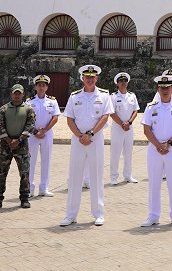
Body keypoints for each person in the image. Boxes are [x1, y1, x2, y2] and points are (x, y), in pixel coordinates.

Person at [60, 65, 114, 226]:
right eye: (87, 77)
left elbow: (105, 117)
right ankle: (70, 215)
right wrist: (79, 135)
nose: (90, 80)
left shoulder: (104, 95)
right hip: (78, 140)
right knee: (75, 176)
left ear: (97, 78)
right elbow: (69, 118)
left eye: (93, 77)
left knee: (96, 176)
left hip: (95, 139)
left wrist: (90, 134)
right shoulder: (75, 96)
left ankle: (98, 213)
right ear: (82, 78)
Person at [140, 74, 172, 227]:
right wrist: (158, 145)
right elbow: (146, 129)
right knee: (154, 182)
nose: (165, 90)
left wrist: (168, 144)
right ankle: (153, 215)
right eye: (162, 88)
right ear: (158, 89)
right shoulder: (151, 107)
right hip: (155, 149)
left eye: (168, 87)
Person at [0, 84, 35, 209]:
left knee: (24, 172)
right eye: (15, 93)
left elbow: (30, 125)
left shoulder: (28, 109)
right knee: (2, 172)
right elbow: (0, 125)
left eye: (19, 93)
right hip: (4, 145)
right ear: (11, 94)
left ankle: (24, 197)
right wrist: (9, 140)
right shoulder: (3, 109)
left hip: (22, 145)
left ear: (23, 94)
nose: (17, 95)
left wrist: (19, 139)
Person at [27, 75, 60, 197]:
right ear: (35, 87)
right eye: (39, 85)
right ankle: (29, 188)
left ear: (47, 87)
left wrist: (45, 130)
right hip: (32, 135)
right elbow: (26, 119)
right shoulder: (29, 101)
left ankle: (43, 188)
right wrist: (36, 132)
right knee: (31, 161)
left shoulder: (52, 101)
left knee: (46, 160)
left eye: (44, 85)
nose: (41, 87)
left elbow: (55, 117)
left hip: (47, 134)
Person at [109, 72, 140, 185]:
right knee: (115, 153)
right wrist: (122, 124)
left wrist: (129, 123)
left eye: (125, 81)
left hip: (129, 128)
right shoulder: (113, 97)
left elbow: (136, 110)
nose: (123, 83)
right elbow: (111, 113)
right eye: (121, 82)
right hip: (118, 128)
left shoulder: (132, 96)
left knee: (128, 153)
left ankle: (128, 175)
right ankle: (113, 177)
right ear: (117, 84)